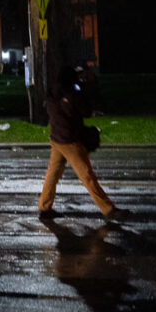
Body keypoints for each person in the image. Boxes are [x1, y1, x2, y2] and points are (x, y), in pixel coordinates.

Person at [38, 66, 130, 222]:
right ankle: (108, 209)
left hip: (57, 139)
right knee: (87, 176)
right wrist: (84, 88)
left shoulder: (53, 93)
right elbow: (85, 110)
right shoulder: (70, 94)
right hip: (70, 141)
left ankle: (44, 207)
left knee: (52, 175)